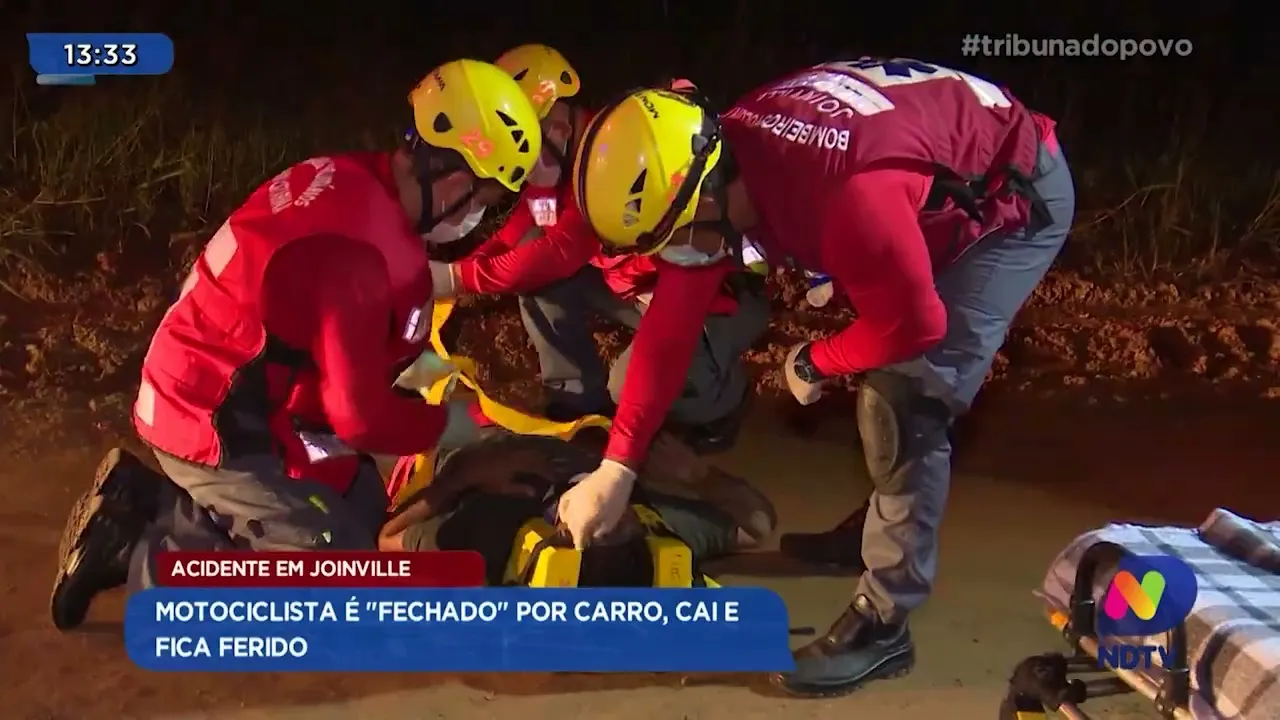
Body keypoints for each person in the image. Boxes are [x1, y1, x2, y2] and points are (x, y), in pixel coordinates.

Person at [568, 58, 1075, 696]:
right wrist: (618, 467)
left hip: (1014, 199)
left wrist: (815, 359)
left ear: (711, 188)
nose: (677, 256)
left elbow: (913, 325)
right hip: (923, 179)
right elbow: (666, 334)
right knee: (885, 363)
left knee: (902, 401)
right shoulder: (714, 160)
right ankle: (879, 529)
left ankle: (885, 623)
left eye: (679, 236)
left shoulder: (840, 196)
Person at [48, 59, 544, 631]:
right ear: (456, 176)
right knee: (337, 595)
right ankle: (140, 546)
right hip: (212, 416)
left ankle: (148, 501)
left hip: (235, 387)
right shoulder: (362, 250)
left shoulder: (350, 179)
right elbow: (359, 417)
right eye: (487, 197)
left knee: (360, 515)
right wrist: (456, 429)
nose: (480, 216)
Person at [429, 45, 767, 449]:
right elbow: (518, 232)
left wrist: (455, 277)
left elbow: (561, 252)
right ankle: (575, 401)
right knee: (537, 266)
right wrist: (460, 269)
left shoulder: (611, 153)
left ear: (560, 119)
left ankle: (722, 403)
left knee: (630, 387)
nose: (521, 152)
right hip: (637, 285)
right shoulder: (551, 165)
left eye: (528, 133)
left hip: (711, 292)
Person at [377, 429, 777, 582]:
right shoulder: (657, 525)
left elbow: (388, 539)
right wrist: (699, 476)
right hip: (586, 429)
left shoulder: (491, 534)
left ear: (560, 538)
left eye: (600, 530)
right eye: (622, 527)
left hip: (471, 446)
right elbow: (759, 524)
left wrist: (464, 477)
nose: (611, 517)